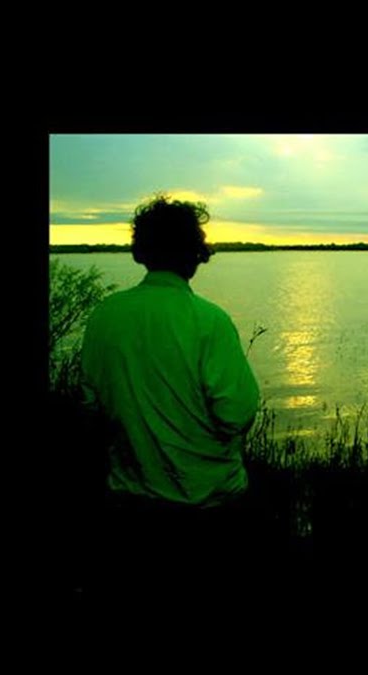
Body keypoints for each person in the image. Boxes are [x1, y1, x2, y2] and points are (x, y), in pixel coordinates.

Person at [77, 193, 268, 616]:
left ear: (140, 252)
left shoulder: (104, 315)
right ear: (196, 254)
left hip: (128, 506)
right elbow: (236, 414)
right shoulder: (209, 320)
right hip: (208, 508)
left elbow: (91, 406)